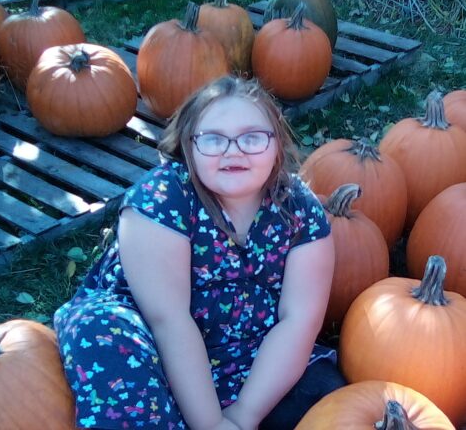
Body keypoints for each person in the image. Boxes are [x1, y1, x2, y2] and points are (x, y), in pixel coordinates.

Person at [54, 75, 346, 430]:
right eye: (213, 139)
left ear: (277, 146)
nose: (233, 150)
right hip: (153, 342)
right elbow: (170, 320)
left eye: (252, 137)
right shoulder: (162, 200)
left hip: (250, 348)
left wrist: (243, 416)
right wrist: (212, 425)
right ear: (188, 146)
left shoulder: (300, 209)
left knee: (328, 402)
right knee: (102, 337)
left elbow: (300, 320)